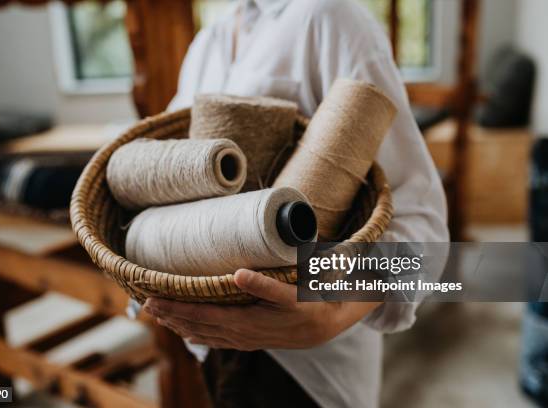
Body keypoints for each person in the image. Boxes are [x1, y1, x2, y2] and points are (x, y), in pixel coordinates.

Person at [142, 0, 448, 406]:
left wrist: (334, 314)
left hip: (310, 371)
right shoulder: (207, 44)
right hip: (210, 344)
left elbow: (424, 230)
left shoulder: (332, 18)